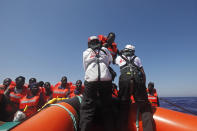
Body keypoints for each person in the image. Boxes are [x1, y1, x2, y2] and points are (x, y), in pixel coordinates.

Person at [115, 44, 154, 131]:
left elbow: (113, 61)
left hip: (124, 82)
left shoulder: (119, 58)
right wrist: (143, 87)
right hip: (138, 83)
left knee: (122, 106)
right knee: (145, 107)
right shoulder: (137, 58)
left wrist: (119, 53)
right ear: (133, 51)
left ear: (125, 50)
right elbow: (143, 73)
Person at [80, 36, 113, 131]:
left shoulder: (86, 52)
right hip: (106, 80)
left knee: (87, 109)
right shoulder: (105, 50)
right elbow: (109, 61)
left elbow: (85, 66)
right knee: (107, 107)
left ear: (88, 44)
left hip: (91, 80)